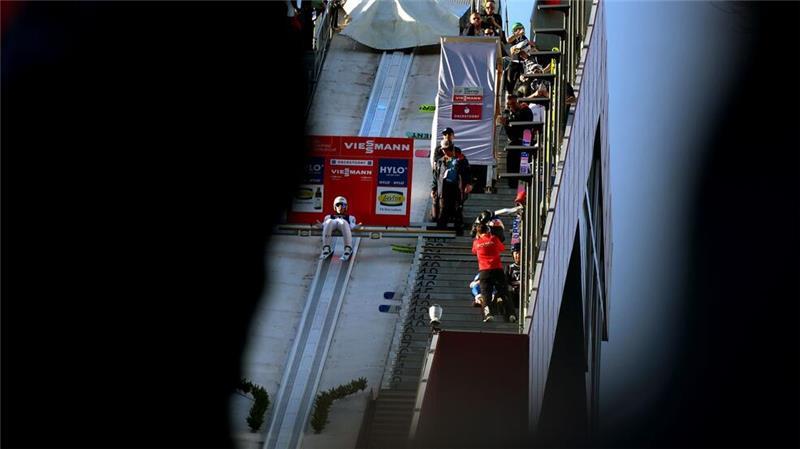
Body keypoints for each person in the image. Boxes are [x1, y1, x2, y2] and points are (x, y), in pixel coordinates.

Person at [472, 223, 511, 322]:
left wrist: (478, 238)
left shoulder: (476, 242)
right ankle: (511, 314)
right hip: (497, 269)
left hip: (484, 271)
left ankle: (488, 314)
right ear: (488, 230)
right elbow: (502, 248)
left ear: (478, 232)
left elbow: (474, 251)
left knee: (486, 295)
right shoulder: (494, 238)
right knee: (504, 292)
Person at [496, 94, 534, 187]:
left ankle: (524, 187)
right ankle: (513, 186)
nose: (511, 106)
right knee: (512, 165)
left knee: (524, 167)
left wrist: (508, 122)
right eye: (509, 104)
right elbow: (512, 135)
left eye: (513, 103)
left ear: (518, 102)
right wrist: (505, 124)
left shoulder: (526, 111)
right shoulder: (511, 114)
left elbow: (523, 125)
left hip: (525, 142)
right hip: (515, 143)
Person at [431, 141, 468, 235]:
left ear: (452, 149)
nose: (444, 152)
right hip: (443, 188)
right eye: (443, 150)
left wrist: (469, 183)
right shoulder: (440, 161)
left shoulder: (461, 160)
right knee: (443, 211)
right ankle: (440, 234)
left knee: (457, 210)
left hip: (456, 188)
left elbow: (467, 173)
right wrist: (433, 188)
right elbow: (436, 176)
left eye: (446, 150)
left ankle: (458, 234)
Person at [316, 196, 362, 260]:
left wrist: (356, 227)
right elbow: (325, 225)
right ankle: (326, 247)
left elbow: (352, 226)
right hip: (333, 224)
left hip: (343, 225)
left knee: (343, 222)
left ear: (346, 207)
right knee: (329, 221)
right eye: (338, 205)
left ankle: (348, 248)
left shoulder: (350, 217)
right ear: (335, 207)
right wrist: (321, 225)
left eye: (343, 205)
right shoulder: (329, 217)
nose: (340, 207)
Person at [504, 247, 521, 323]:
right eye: (516, 253)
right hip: (513, 294)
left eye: (520, 253)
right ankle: (512, 315)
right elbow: (505, 282)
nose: (518, 255)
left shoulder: (528, 267)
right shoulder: (509, 267)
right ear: (513, 255)